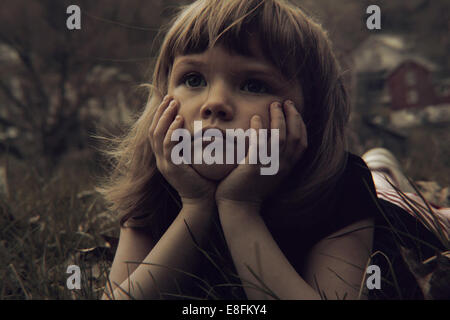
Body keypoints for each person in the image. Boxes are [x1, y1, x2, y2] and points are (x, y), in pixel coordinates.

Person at [98, 0, 447, 300]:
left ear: (307, 115)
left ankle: (383, 173)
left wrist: (239, 207)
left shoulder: (340, 187)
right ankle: (382, 168)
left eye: (253, 84)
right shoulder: (156, 182)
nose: (214, 103)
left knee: (425, 213)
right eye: (193, 79)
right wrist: (196, 205)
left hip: (395, 217)